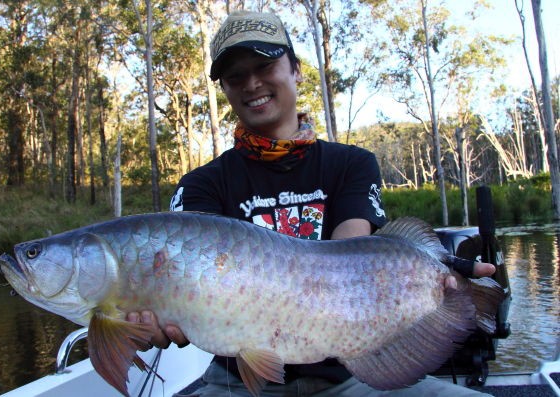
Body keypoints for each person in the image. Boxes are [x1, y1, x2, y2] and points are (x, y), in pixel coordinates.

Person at [127, 10, 496, 397]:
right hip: (237, 383)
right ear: (225, 88)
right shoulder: (201, 185)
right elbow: (182, 283)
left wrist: (436, 287)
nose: (251, 83)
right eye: (235, 76)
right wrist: (154, 311)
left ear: (296, 70)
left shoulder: (351, 164)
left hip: (348, 375)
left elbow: (347, 263)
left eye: (264, 65)